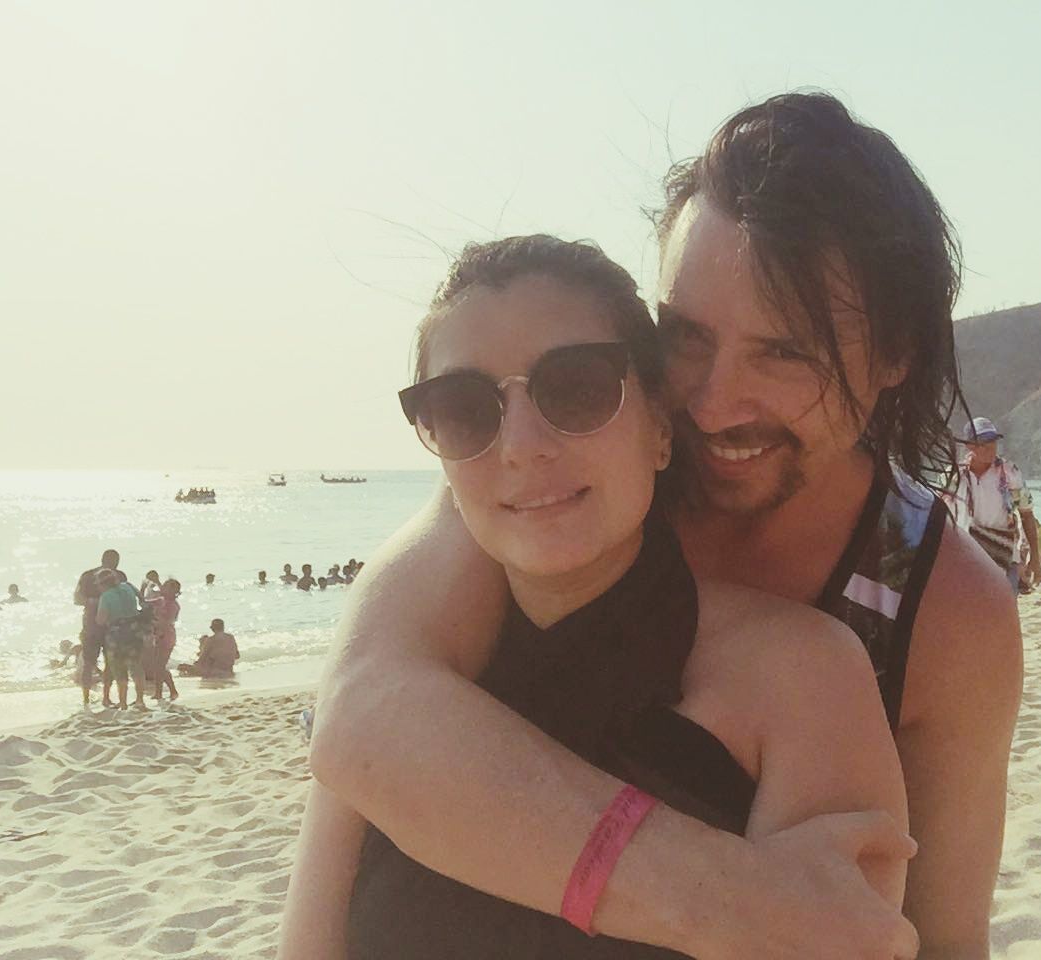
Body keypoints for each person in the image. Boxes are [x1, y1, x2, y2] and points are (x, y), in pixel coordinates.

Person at [303, 93, 1021, 959]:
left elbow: (941, 938)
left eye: (785, 351)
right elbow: (366, 711)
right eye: (685, 336)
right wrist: (728, 902)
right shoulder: (571, 480)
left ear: (897, 354)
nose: (711, 406)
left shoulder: (933, 606)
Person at [280, 234, 911, 959]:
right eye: (462, 410)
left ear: (660, 429)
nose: (520, 445)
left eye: (576, 387)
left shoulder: (800, 677)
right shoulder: (403, 705)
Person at [948, 417, 1041, 593]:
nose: (990, 448)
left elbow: (1027, 514)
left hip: (1004, 557)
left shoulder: (1009, 473)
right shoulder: (954, 475)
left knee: (1004, 614)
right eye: (983, 443)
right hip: (965, 559)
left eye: (993, 442)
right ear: (970, 446)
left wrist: (1035, 558)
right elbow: (940, 515)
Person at [73, 548, 122, 707]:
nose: (112, 567)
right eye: (111, 563)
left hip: (111, 626)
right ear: (103, 561)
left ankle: (105, 697)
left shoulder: (120, 576)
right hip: (93, 625)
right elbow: (77, 598)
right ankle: (87, 698)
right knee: (89, 662)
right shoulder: (88, 576)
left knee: (110, 662)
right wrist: (94, 601)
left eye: (114, 564)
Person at [95, 568, 149, 709]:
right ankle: (139, 700)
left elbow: (101, 620)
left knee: (119, 669)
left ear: (103, 584)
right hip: (135, 630)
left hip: (117, 634)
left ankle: (123, 702)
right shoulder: (128, 587)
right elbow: (142, 599)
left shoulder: (106, 596)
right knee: (136, 667)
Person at [148, 578, 181, 700]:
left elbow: (167, 622)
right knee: (157, 665)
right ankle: (159, 693)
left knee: (160, 666)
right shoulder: (161, 600)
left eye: (167, 587)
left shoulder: (173, 605)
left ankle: (172, 691)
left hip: (166, 636)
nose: (163, 589)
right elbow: (146, 602)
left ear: (173, 591)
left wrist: (153, 621)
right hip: (159, 635)